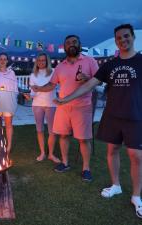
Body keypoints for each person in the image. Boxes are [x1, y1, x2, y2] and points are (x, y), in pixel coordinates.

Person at [55, 24, 142, 218]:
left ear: (133, 37)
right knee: (112, 151)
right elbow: (89, 85)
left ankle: (137, 196)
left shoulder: (140, 61)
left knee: (136, 156)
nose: (122, 40)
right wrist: (65, 99)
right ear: (116, 40)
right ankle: (116, 185)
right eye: (119, 38)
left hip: (135, 116)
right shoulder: (110, 65)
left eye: (126, 36)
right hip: (112, 115)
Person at [32, 35, 99, 182]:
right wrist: (39, 88)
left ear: (79, 44)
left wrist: (87, 78)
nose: (71, 45)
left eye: (74, 42)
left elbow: (98, 82)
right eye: (68, 43)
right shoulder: (61, 66)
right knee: (63, 136)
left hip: (82, 106)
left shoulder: (90, 61)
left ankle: (86, 168)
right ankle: (65, 162)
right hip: (62, 106)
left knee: (83, 139)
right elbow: (52, 84)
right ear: (65, 47)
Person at [24, 53, 60, 163]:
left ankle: (51, 154)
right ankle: (43, 153)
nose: (41, 62)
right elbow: (33, 92)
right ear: (36, 62)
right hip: (37, 104)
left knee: (52, 131)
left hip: (51, 104)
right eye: (39, 60)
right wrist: (29, 96)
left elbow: (54, 87)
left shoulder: (53, 72)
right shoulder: (33, 75)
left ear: (47, 61)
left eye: (43, 60)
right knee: (39, 130)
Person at [0, 53, 18, 154]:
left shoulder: (12, 73)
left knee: (8, 124)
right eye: (1, 59)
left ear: (7, 61)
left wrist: (14, 100)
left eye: (4, 59)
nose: (2, 61)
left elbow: (15, 88)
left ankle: (8, 146)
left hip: (9, 101)